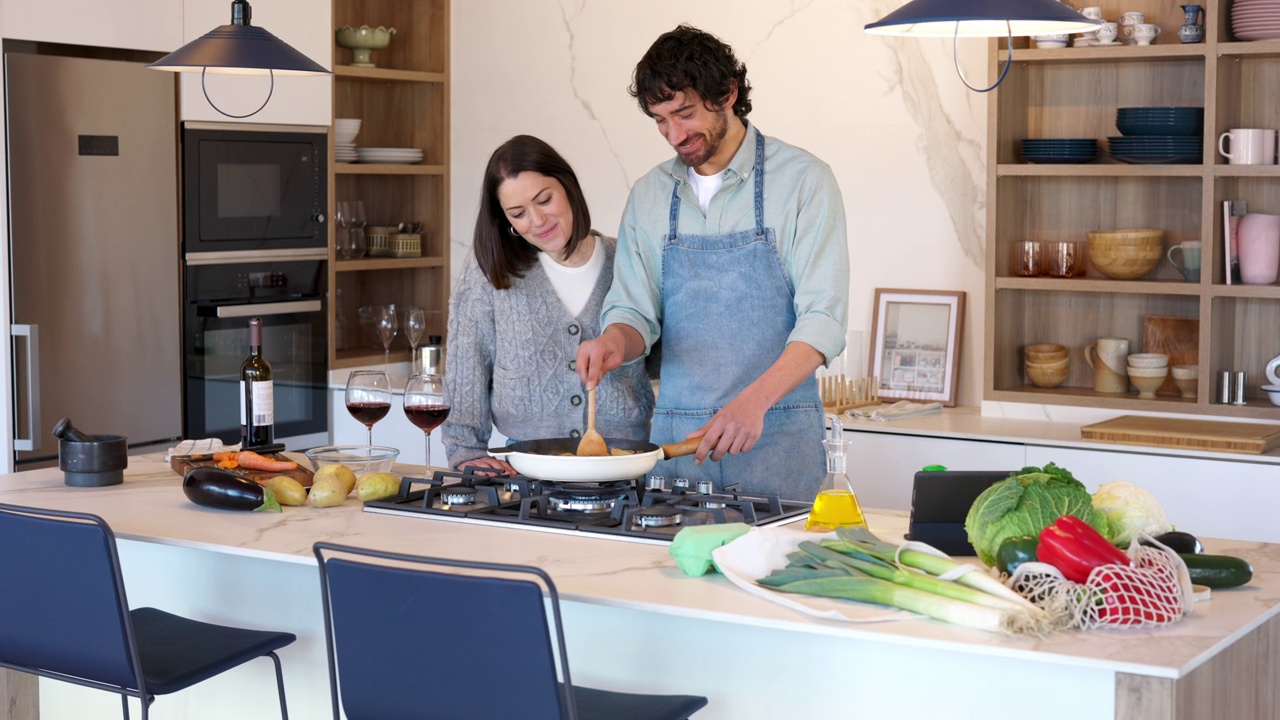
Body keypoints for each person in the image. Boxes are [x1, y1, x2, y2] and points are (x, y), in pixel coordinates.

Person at [575, 25, 849, 500]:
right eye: (661, 121)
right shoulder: (649, 195)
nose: (674, 135)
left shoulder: (805, 182)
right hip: (679, 448)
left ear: (727, 93)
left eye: (684, 113)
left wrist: (753, 403)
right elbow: (635, 311)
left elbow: (824, 321)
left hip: (779, 437)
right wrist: (615, 341)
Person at [443, 135, 655, 474]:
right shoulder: (489, 272)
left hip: (626, 467)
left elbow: (664, 355)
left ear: (567, 186)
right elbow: (466, 363)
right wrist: (465, 451)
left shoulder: (627, 259)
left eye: (544, 199)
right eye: (518, 213)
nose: (538, 221)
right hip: (526, 470)